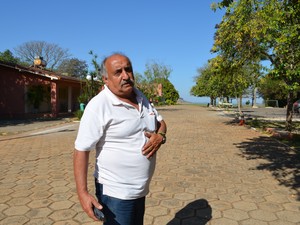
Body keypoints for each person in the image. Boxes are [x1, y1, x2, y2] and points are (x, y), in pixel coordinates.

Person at [73, 53, 167, 225]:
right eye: (118, 72)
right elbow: (81, 149)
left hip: (140, 190)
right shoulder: (98, 105)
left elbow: (161, 123)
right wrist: (83, 193)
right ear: (106, 79)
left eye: (128, 69)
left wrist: (160, 137)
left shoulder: (140, 97)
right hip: (115, 193)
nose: (126, 76)